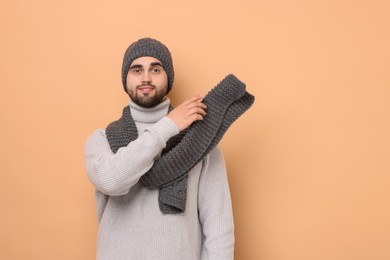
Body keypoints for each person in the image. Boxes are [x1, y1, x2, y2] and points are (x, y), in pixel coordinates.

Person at [84, 38, 235, 260]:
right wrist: (167, 127)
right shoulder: (101, 140)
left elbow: (219, 227)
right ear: (125, 78)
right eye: (137, 70)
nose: (146, 77)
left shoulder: (200, 141)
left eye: (155, 69)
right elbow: (110, 181)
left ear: (168, 78)